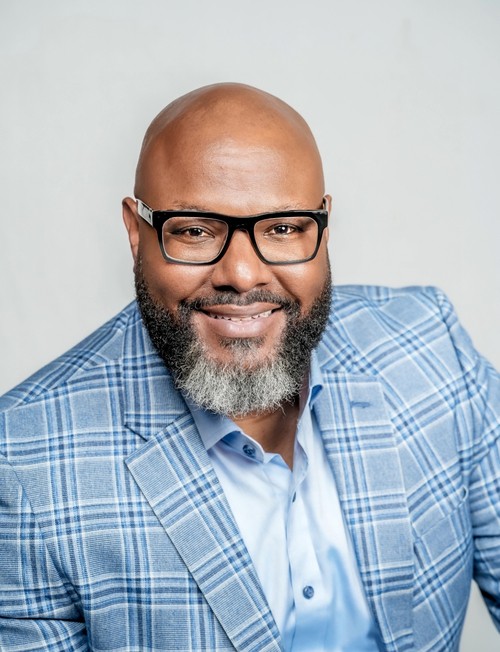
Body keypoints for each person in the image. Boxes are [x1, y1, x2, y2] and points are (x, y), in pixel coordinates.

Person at [0, 82, 498, 652]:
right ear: (136, 234)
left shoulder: (430, 347)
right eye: (194, 230)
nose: (242, 274)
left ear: (323, 227)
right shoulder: (23, 462)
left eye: (283, 228)